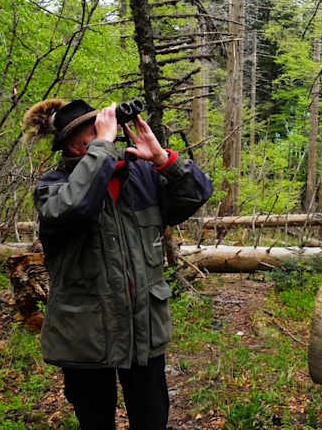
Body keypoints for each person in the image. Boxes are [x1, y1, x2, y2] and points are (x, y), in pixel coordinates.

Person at [22, 98, 213, 429]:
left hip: (143, 329)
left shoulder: (139, 176)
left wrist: (163, 159)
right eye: (94, 131)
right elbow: (77, 207)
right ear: (73, 145)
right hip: (85, 338)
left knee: (152, 419)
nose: (104, 133)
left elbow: (197, 193)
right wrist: (104, 149)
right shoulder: (53, 187)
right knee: (95, 422)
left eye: (102, 127)